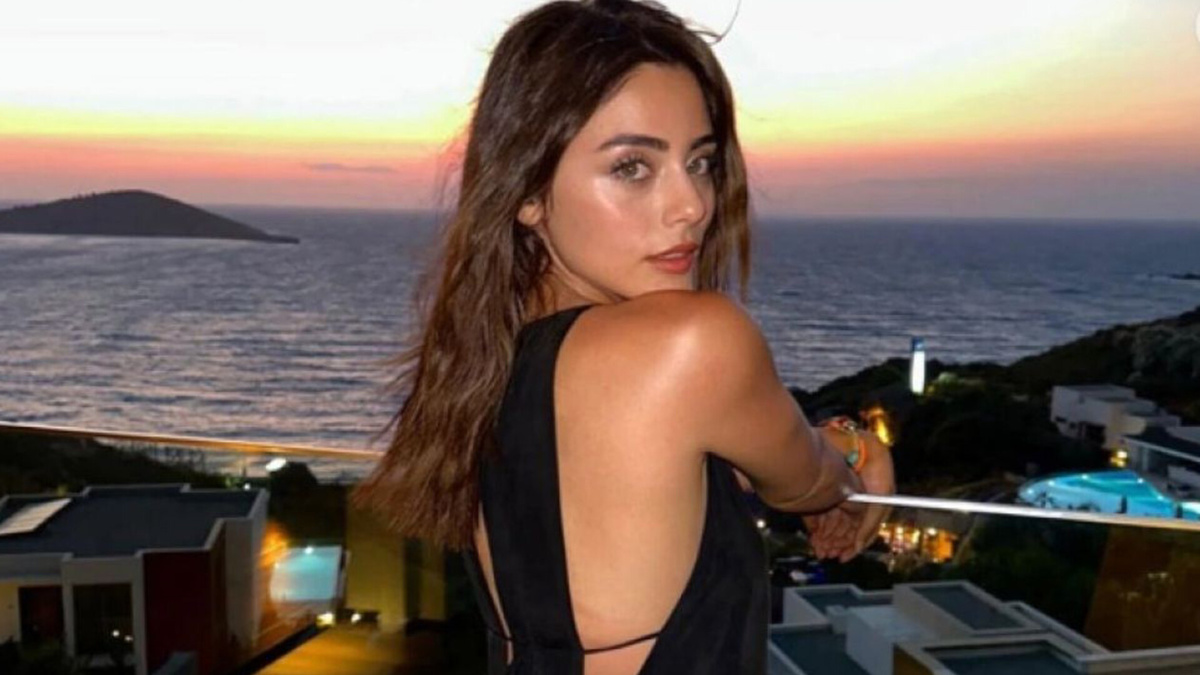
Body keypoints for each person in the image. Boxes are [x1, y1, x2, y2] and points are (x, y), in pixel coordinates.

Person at [351, 1, 895, 673]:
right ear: (527, 192)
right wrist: (853, 443)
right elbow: (806, 482)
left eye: (701, 161)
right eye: (632, 167)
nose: (692, 205)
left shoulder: (482, 359)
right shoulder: (690, 343)